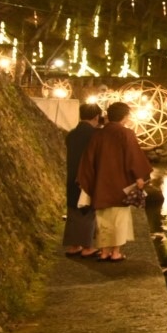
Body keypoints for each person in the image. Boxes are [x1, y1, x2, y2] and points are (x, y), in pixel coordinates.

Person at [76, 101, 153, 262]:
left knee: (103, 219)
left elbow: (88, 160)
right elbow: (133, 157)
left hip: (101, 183)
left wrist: (87, 181)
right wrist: (140, 177)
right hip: (121, 183)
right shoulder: (126, 134)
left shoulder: (98, 134)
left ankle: (104, 252)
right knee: (119, 219)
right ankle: (115, 252)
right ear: (124, 117)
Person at [62, 103, 104, 256]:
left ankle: (74, 246)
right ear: (96, 116)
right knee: (88, 210)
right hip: (88, 176)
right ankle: (87, 247)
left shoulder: (72, 134)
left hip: (72, 175)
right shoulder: (96, 135)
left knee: (73, 209)